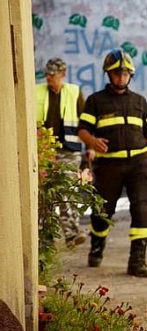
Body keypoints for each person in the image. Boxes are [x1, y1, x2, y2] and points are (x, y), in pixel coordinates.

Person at [77, 48, 147, 277]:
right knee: (103, 211)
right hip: (108, 167)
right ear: (108, 74)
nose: (121, 77)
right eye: (117, 73)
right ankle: (97, 246)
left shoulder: (140, 102)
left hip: (139, 165)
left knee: (141, 207)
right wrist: (93, 141)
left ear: (130, 75)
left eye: (125, 73)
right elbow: (83, 130)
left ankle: (137, 261)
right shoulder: (96, 101)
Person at [35, 57, 87, 248]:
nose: (49, 78)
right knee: (44, 193)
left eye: (53, 75)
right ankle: (44, 237)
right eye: (47, 74)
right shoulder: (37, 91)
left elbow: (85, 123)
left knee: (67, 191)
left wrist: (90, 150)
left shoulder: (74, 92)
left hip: (69, 150)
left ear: (62, 74)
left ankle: (72, 234)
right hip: (44, 151)